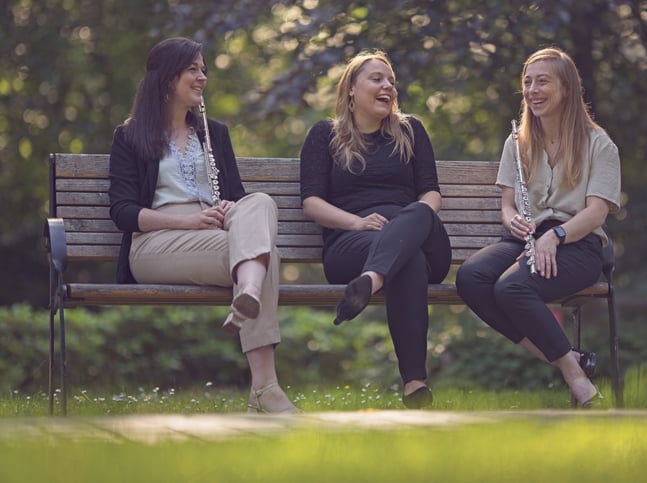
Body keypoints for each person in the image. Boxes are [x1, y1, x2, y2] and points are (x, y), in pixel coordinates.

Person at [108, 37, 298, 414]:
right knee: (265, 255)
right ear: (167, 78)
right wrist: (188, 220)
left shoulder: (215, 134)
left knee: (259, 203)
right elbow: (124, 212)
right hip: (155, 243)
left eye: (203, 69)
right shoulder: (130, 136)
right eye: (193, 69)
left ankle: (248, 292)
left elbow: (242, 198)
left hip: (216, 235)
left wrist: (227, 207)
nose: (202, 77)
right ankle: (265, 389)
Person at [455, 47, 621, 407]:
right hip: (527, 238)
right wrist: (510, 217)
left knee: (512, 288)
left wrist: (557, 235)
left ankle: (577, 380)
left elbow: (596, 214)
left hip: (577, 244)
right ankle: (568, 360)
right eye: (527, 82)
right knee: (471, 278)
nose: (532, 90)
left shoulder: (599, 144)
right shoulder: (517, 143)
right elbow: (507, 204)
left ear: (567, 88)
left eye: (542, 81)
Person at [299, 50, 451, 409]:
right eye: (377, 79)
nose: (388, 87)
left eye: (391, 81)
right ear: (351, 89)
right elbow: (312, 203)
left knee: (417, 216)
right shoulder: (325, 135)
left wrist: (409, 223)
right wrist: (357, 222)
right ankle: (415, 384)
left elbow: (430, 192)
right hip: (350, 245)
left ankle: (372, 280)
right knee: (406, 259)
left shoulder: (410, 131)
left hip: (421, 239)